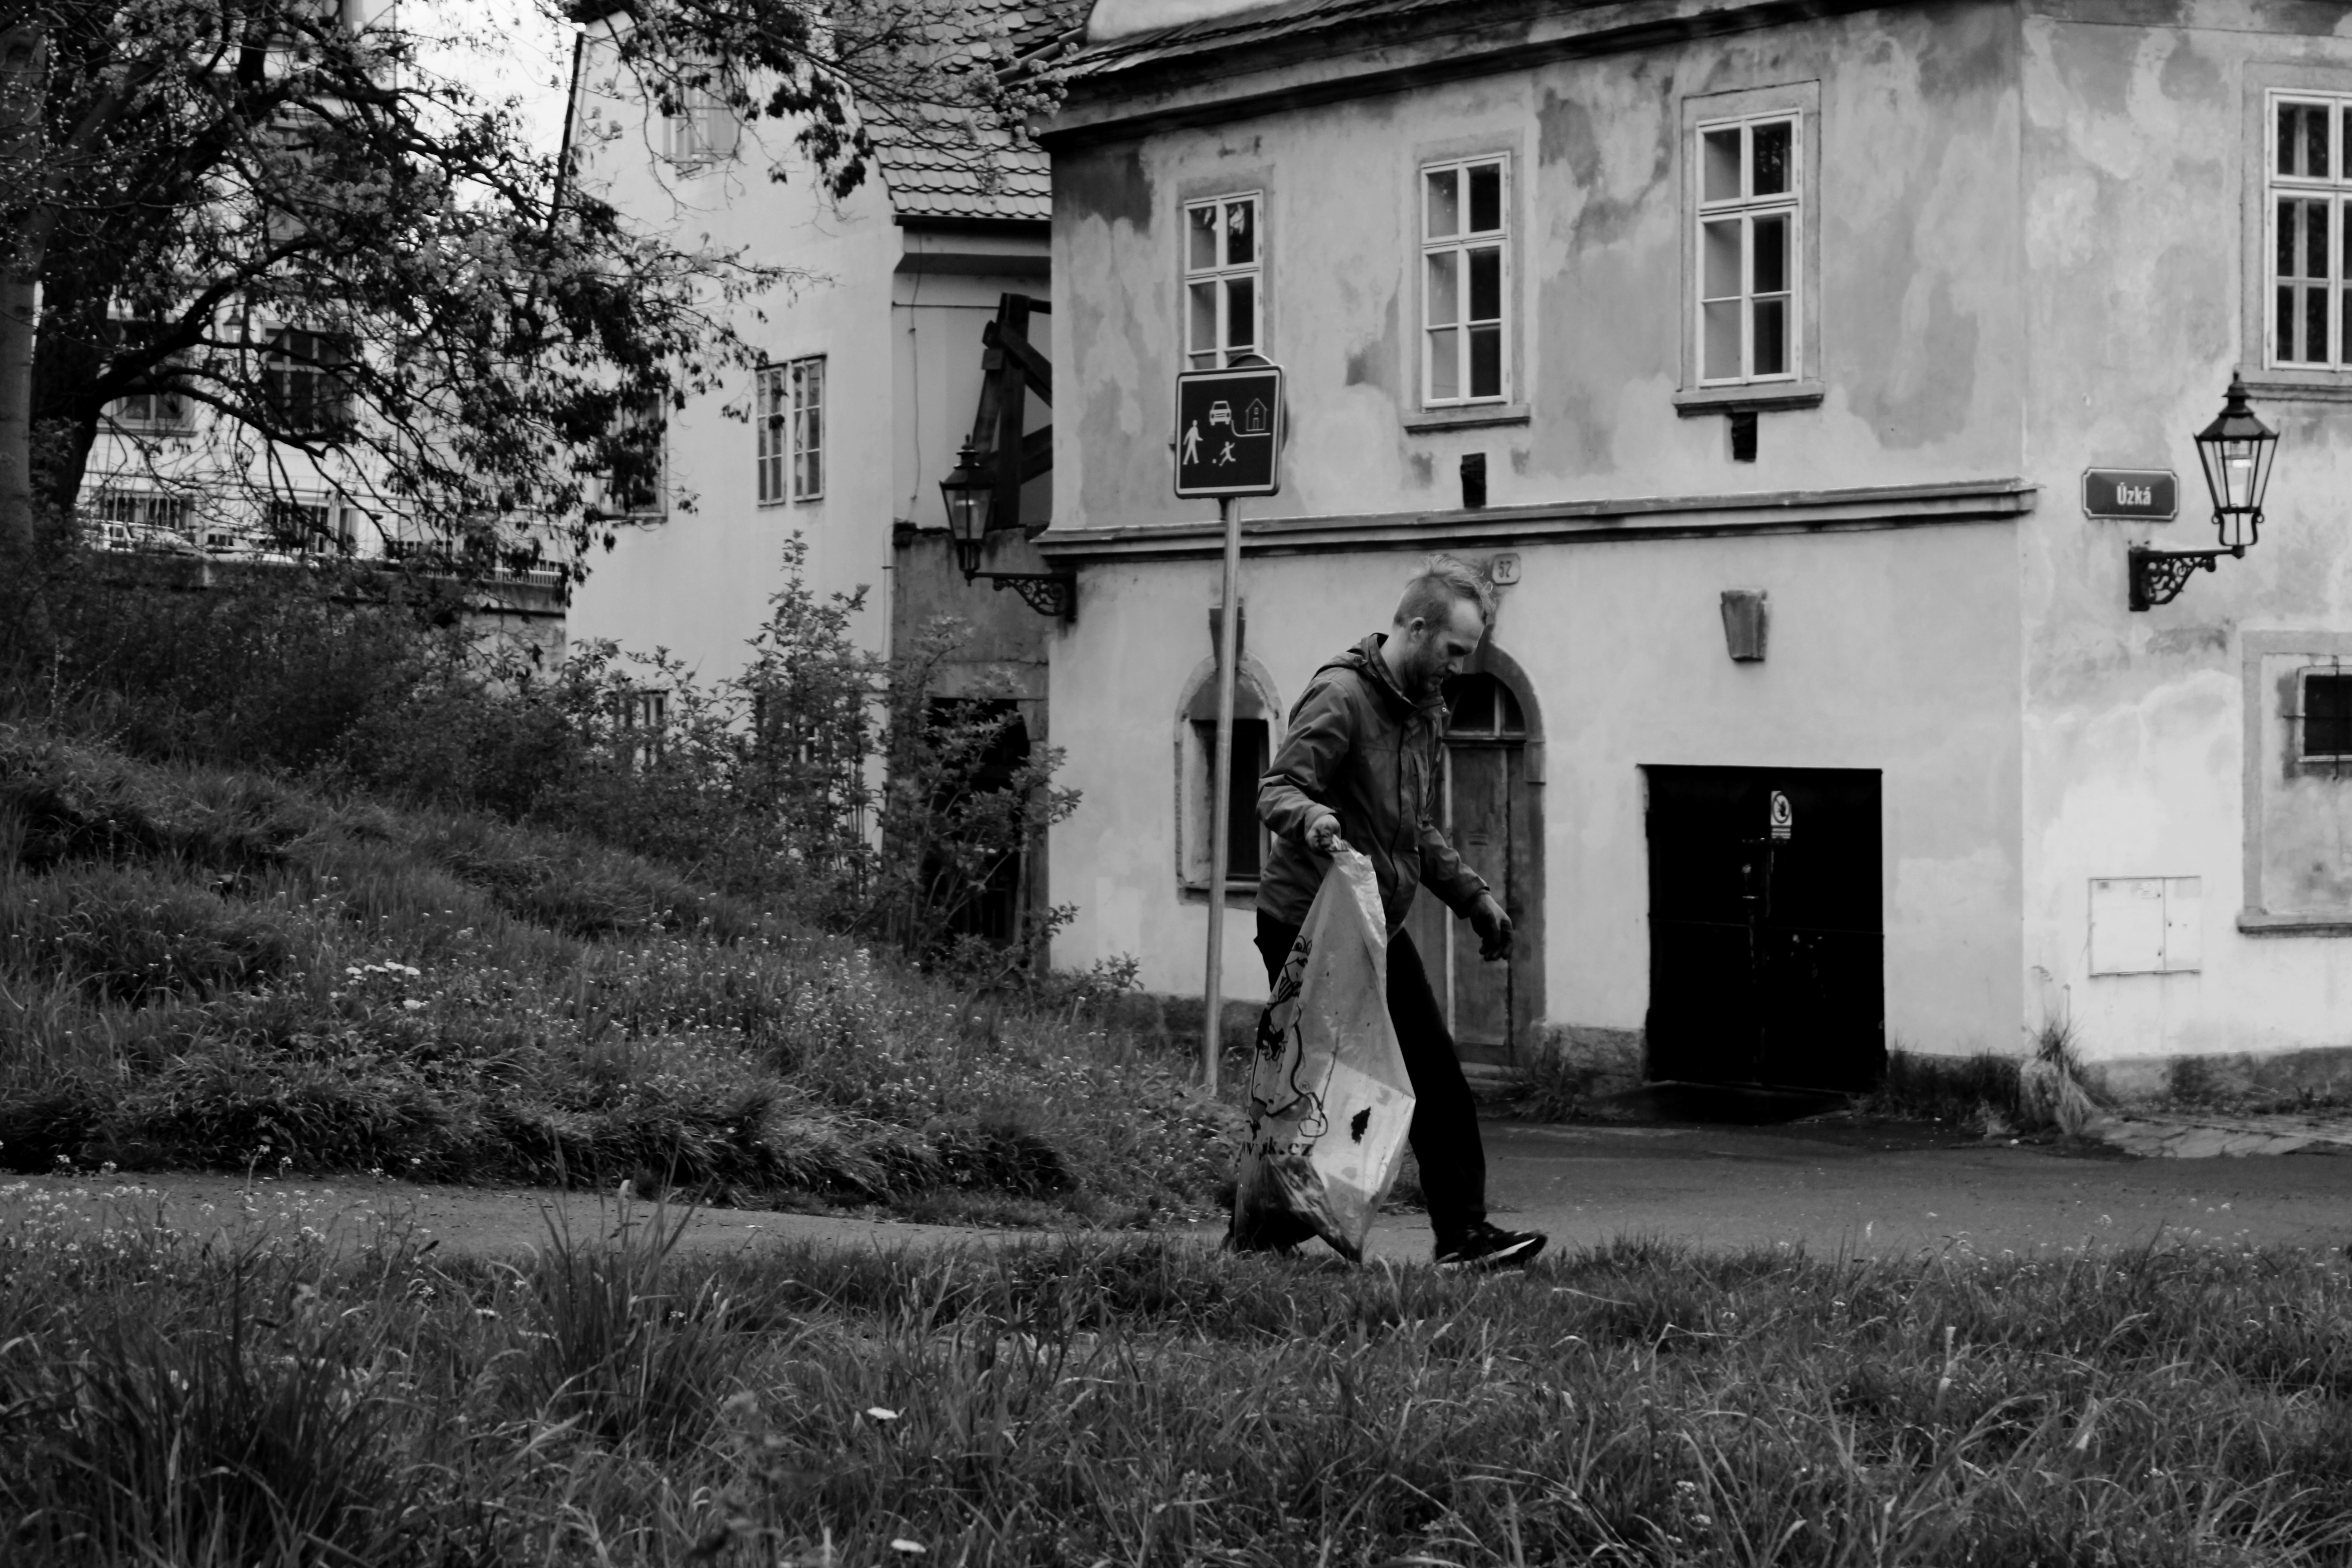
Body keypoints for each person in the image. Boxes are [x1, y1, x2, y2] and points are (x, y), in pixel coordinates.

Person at [1252, 555, 1548, 1272]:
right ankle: (1260, 1235)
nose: (1458, 666)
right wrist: (1314, 819)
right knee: (1329, 1089)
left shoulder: (1423, 712)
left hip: (1373, 925)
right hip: (1310, 923)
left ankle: (1461, 1238)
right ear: (1416, 630)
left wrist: (1475, 898)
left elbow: (1414, 829)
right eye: (1453, 650)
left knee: (1431, 1077)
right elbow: (1277, 789)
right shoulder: (1341, 696)